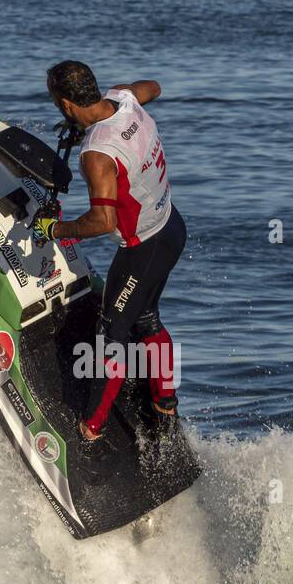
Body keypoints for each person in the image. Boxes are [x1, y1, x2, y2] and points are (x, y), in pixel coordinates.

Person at [35, 60, 186, 448]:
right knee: (148, 317)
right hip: (171, 227)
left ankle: (91, 428)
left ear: (66, 104)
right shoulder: (124, 98)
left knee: (111, 336)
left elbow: (102, 221)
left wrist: (55, 229)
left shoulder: (97, 154)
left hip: (140, 250)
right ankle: (165, 404)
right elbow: (154, 84)